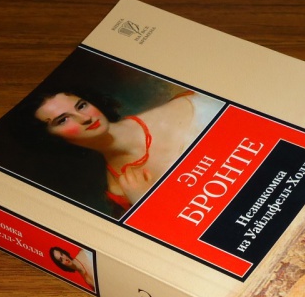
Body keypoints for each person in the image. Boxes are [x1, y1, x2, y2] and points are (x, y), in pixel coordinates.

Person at [20, 85, 223, 213]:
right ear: (50, 139)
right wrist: (146, 202)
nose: (85, 118)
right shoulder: (120, 191)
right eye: (63, 120)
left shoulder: (186, 104)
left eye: (81, 106)